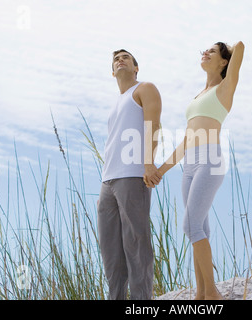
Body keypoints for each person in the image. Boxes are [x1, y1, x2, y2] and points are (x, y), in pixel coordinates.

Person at [147, 41, 244, 300]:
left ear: (224, 61)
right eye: (205, 50)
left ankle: (212, 293)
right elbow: (186, 140)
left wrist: (229, 48)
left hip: (210, 161)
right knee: (199, 227)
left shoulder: (225, 88)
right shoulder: (199, 95)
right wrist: (161, 170)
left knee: (191, 225)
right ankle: (201, 294)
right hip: (189, 164)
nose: (205, 53)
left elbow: (241, 47)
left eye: (212, 51)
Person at [97, 49, 162, 300]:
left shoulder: (145, 88)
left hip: (133, 176)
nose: (120, 60)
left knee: (136, 247)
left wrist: (148, 163)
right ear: (112, 71)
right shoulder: (116, 102)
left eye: (126, 58)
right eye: (116, 59)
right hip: (108, 181)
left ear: (136, 68)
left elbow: (154, 125)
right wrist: (104, 180)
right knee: (111, 252)